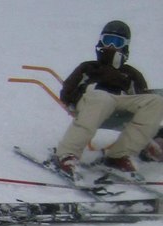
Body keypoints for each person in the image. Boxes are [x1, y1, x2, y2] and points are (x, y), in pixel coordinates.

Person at [53, 20, 163, 179]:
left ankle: (119, 155)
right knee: (103, 98)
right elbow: (68, 91)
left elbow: (141, 96)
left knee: (156, 101)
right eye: (107, 40)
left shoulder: (131, 74)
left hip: (121, 104)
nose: (111, 45)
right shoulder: (89, 68)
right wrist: (74, 101)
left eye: (117, 42)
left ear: (125, 46)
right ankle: (66, 154)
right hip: (92, 101)